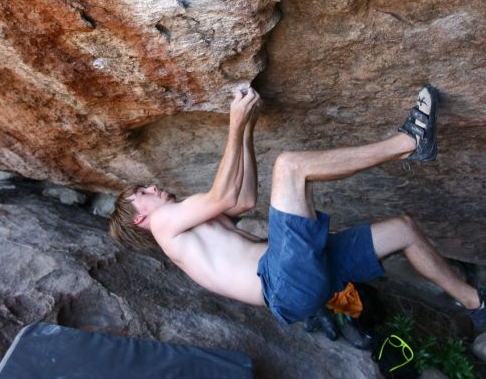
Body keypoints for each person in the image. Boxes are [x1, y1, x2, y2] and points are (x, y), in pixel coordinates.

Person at [109, 85, 486, 328]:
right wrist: (234, 124)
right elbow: (222, 196)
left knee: (402, 229)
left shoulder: (188, 228)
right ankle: (408, 142)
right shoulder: (164, 226)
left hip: (296, 280)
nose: (152, 186)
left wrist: (248, 129)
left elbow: (242, 200)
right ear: (139, 217)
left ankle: (475, 304)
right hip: (283, 282)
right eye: (142, 191)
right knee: (291, 165)